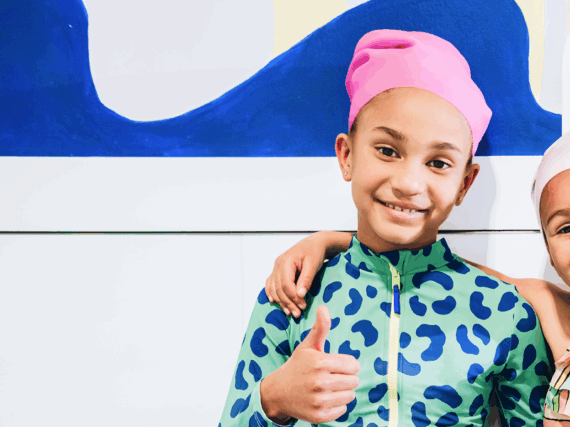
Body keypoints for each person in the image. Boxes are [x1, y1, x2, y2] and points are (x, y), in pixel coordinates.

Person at [267, 124, 570, 426]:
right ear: (550, 250)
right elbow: (447, 267)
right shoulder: (555, 316)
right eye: (566, 227)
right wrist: (334, 241)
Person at [218, 29, 550, 427]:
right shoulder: (292, 293)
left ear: (464, 183)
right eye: (388, 151)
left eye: (439, 163)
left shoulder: (506, 309)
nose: (409, 183)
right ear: (346, 155)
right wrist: (273, 399)